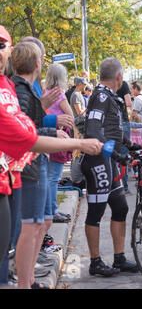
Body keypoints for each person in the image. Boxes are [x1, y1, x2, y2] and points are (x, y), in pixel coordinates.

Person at [10, 41, 76, 289]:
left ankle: (27, 276)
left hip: (34, 160)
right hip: (29, 162)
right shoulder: (21, 89)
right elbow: (24, 128)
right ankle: (23, 280)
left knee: (38, 222)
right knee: (31, 224)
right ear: (37, 64)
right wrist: (51, 124)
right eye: (43, 57)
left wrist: (49, 124)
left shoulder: (25, 87)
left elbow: (27, 123)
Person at [81, 58, 140, 277]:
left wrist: (128, 143)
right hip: (98, 161)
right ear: (119, 77)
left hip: (108, 161)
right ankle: (95, 262)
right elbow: (94, 132)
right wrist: (117, 154)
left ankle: (119, 258)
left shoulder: (108, 95)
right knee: (96, 212)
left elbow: (111, 129)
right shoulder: (101, 96)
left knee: (121, 207)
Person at [43, 64, 74, 223]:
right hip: (58, 136)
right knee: (54, 177)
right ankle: (52, 210)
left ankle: (51, 209)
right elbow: (70, 115)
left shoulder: (45, 92)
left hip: (46, 136)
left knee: (49, 176)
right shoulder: (59, 94)